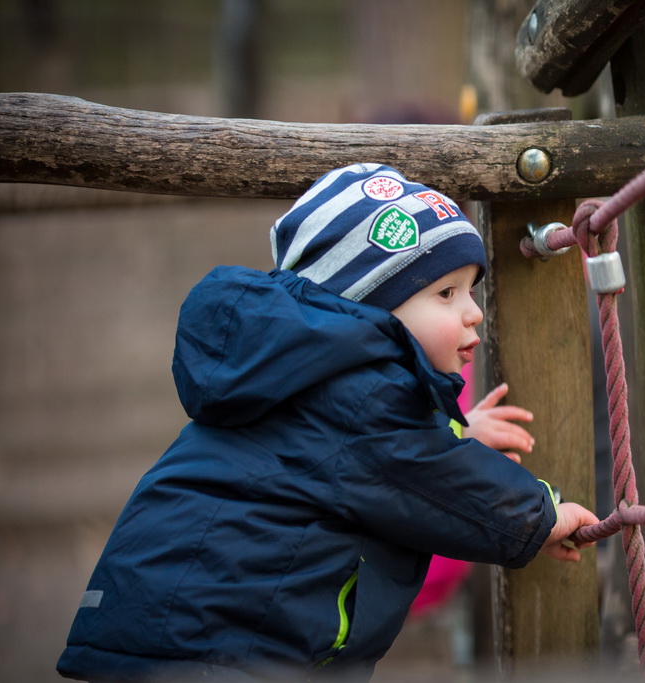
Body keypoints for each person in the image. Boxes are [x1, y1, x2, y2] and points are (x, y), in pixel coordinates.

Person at [56, 163, 599, 682]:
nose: (473, 311)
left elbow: (380, 455)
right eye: (445, 293)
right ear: (369, 306)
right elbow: (429, 474)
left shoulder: (317, 379)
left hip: (182, 623)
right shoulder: (361, 395)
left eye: (471, 290)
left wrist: (458, 432)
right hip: (220, 645)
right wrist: (540, 516)